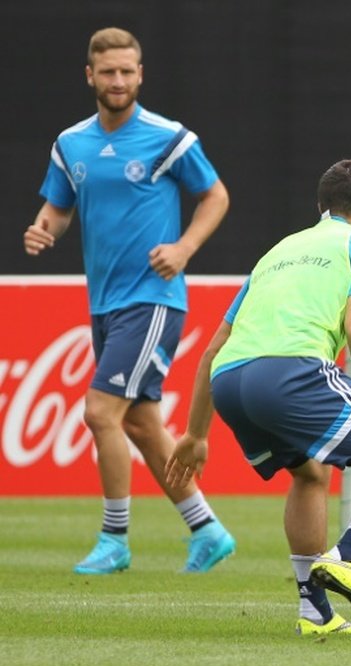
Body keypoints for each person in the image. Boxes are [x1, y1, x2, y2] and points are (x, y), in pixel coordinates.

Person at [165, 159, 351, 636]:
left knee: (309, 473)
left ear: (321, 205)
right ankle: (349, 558)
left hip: (230, 383)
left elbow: (213, 349)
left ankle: (315, 612)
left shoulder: (278, 252)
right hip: (291, 372)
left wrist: (194, 433)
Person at [23, 27, 234, 575]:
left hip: (153, 298)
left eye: (127, 71)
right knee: (141, 425)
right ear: (90, 76)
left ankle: (114, 539)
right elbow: (60, 208)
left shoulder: (168, 138)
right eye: (108, 72)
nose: (118, 81)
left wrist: (185, 247)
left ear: (140, 75)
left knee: (99, 412)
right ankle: (206, 529)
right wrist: (45, 228)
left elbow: (215, 194)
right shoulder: (72, 144)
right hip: (105, 303)